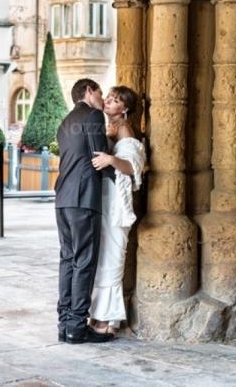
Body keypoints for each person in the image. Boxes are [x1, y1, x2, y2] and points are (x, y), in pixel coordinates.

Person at [54, 78, 115, 344]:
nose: (102, 99)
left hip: (63, 199)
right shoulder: (93, 115)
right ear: (89, 91)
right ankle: (77, 326)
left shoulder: (65, 120)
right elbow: (99, 157)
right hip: (83, 198)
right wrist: (127, 175)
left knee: (68, 259)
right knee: (84, 262)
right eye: (100, 93)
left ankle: (65, 324)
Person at [89, 86, 146, 334]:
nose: (109, 102)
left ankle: (109, 319)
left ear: (125, 109)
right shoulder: (108, 126)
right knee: (101, 256)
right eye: (109, 98)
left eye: (116, 100)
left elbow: (134, 166)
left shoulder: (124, 129)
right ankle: (97, 313)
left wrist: (111, 160)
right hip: (105, 197)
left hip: (116, 203)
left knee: (112, 255)